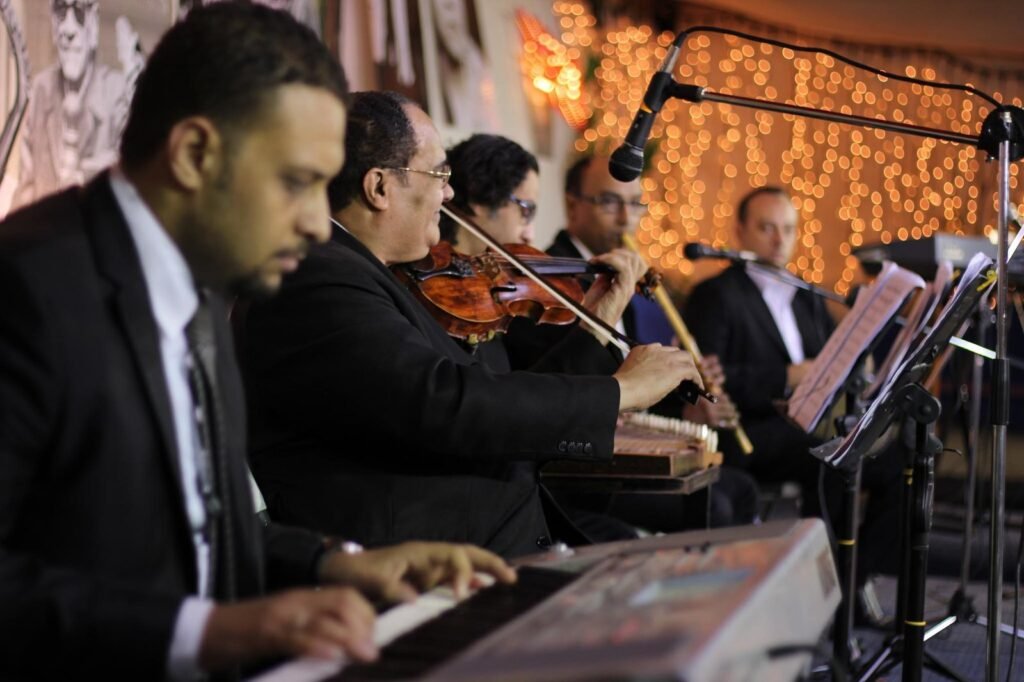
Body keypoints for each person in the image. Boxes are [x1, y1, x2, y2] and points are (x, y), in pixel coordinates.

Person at [0, 5, 515, 680]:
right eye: (297, 183)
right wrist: (205, 631)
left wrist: (334, 563)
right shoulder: (28, 290)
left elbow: (193, 531)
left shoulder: (206, 282)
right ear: (193, 155)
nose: (314, 224)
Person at [237, 91, 701, 560]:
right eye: (439, 174)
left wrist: (596, 321)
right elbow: (446, 403)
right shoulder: (317, 276)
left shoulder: (367, 273)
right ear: (379, 187)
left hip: (488, 541)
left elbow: (494, 400)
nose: (449, 193)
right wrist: (623, 391)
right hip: (424, 565)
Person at [686, 186, 901, 576]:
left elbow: (828, 362)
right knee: (828, 455)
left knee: (903, 458)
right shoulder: (715, 295)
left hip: (805, 424)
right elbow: (703, 378)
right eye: (766, 227)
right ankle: (822, 581)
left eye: (787, 229)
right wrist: (784, 377)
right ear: (740, 232)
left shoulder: (805, 294)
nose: (778, 239)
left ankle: (855, 578)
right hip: (748, 431)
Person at [13, 0, 126, 208]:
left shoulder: (117, 92)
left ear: (94, 25)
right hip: (45, 234)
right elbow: (25, 189)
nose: (68, 28)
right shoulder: (41, 89)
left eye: (80, 13)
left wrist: (83, 176)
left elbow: (128, 174)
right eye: (61, 12)